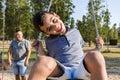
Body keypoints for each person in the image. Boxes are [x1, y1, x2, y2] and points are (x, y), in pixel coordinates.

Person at [28, 11, 108, 80]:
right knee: (42, 60)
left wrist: (97, 48)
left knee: (96, 55)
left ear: (56, 15)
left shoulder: (75, 32)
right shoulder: (49, 41)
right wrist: (40, 50)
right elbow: (49, 62)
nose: (55, 26)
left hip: (80, 68)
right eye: (49, 29)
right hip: (62, 71)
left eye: (54, 20)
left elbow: (81, 51)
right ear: (47, 33)